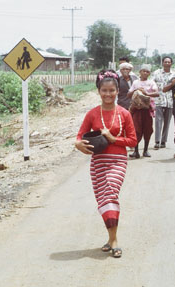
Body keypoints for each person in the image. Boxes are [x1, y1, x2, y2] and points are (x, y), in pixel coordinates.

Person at [75, 69, 137, 258]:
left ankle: (115, 240)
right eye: (104, 90)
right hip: (98, 162)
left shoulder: (124, 113)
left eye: (112, 90)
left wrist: (112, 138)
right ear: (99, 91)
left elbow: (133, 141)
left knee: (110, 193)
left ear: (118, 91)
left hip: (118, 161)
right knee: (103, 199)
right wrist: (78, 144)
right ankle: (111, 239)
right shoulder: (92, 114)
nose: (108, 94)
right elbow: (79, 136)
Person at [127, 64, 159, 158]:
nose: (145, 73)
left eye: (147, 71)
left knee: (148, 130)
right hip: (137, 110)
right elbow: (129, 94)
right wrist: (136, 90)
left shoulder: (151, 82)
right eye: (143, 71)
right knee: (136, 130)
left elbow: (157, 93)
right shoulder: (136, 82)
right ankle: (136, 151)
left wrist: (147, 93)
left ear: (149, 73)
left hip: (147, 109)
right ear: (140, 72)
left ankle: (145, 150)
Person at [152, 56, 175, 149]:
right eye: (165, 62)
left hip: (170, 101)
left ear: (171, 63)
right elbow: (152, 84)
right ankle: (157, 141)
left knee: (167, 122)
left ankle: (163, 141)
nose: (167, 63)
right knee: (158, 122)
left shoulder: (174, 75)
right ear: (162, 63)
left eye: (169, 62)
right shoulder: (156, 73)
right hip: (159, 100)